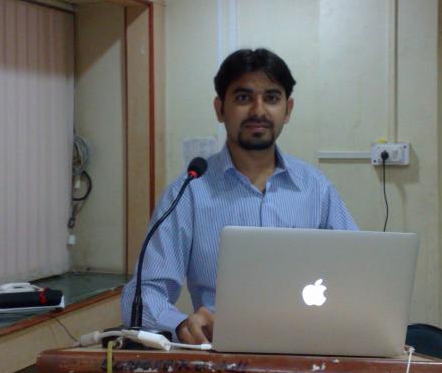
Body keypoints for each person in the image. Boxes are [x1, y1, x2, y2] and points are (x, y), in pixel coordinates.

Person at [120, 48, 358, 344]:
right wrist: (180, 324)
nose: (258, 111)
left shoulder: (316, 188)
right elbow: (141, 295)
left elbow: (357, 272)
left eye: (271, 98)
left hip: (308, 347)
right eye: (244, 98)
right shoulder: (190, 192)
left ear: (288, 109)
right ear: (220, 109)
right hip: (222, 352)